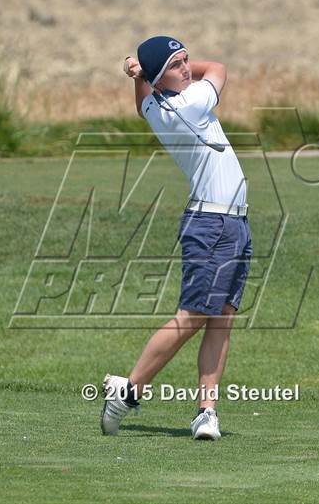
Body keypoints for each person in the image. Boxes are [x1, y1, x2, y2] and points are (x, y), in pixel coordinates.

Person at [101, 36, 252, 440]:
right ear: (159, 78)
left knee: (221, 317)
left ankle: (206, 411)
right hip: (213, 224)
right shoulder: (192, 103)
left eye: (186, 60)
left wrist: (142, 77)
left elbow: (141, 104)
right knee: (192, 317)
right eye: (175, 65)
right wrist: (150, 73)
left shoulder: (157, 104)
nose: (186, 69)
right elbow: (217, 67)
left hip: (231, 223)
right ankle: (129, 390)